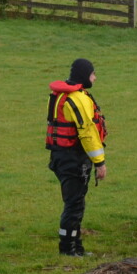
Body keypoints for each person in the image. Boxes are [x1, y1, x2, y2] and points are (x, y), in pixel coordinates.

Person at [46, 58, 107, 256]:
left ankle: (75, 245)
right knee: (74, 204)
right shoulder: (78, 98)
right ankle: (68, 249)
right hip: (73, 158)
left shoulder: (60, 95)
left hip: (60, 156)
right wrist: (100, 162)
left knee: (74, 202)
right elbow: (88, 133)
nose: (95, 78)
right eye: (93, 74)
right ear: (84, 76)